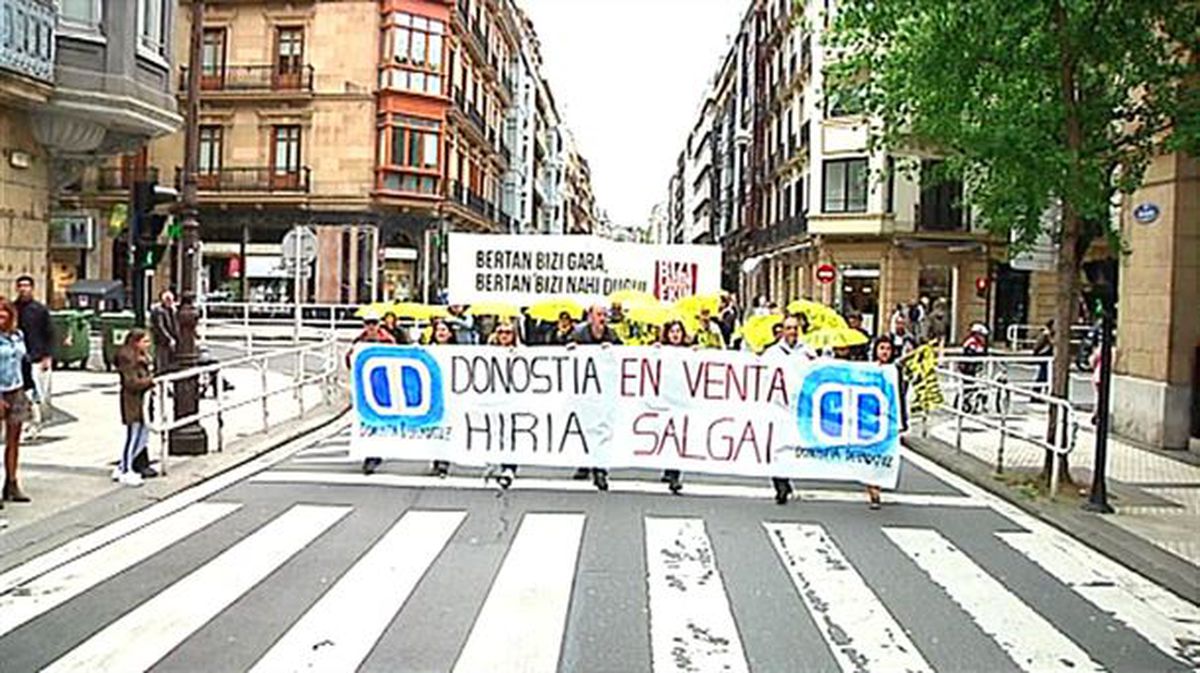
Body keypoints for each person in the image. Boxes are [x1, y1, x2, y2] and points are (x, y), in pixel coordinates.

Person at [764, 316, 816, 505]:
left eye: (795, 328)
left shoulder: (807, 352)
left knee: (792, 446)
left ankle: (786, 476)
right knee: (777, 446)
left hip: (798, 408)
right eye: (788, 328)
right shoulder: (771, 353)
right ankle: (780, 484)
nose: (792, 332)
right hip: (777, 407)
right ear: (782, 331)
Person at [569, 304, 620, 491]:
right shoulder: (579, 334)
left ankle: (600, 470)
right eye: (599, 314)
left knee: (602, 426)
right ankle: (585, 462)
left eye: (605, 315)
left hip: (605, 390)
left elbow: (624, 358)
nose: (602, 318)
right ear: (590, 317)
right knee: (586, 425)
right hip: (585, 389)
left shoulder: (612, 335)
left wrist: (613, 350)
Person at [350, 315, 396, 475]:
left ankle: (375, 453)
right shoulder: (359, 341)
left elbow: (396, 359)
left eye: (373, 323)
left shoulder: (388, 340)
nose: (370, 327)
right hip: (365, 386)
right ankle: (371, 454)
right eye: (367, 323)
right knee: (367, 419)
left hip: (384, 385)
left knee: (379, 419)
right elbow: (349, 360)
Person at [866, 338, 904, 510]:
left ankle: (877, 485)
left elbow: (900, 396)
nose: (885, 352)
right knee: (871, 452)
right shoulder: (868, 370)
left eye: (888, 349)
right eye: (881, 348)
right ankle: (873, 488)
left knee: (885, 452)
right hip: (870, 418)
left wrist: (903, 419)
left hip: (889, 418)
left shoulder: (895, 371)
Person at [113, 330, 154, 487]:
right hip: (133, 402)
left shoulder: (141, 358)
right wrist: (150, 381)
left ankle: (124, 466)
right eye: (145, 341)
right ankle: (125, 468)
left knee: (143, 436)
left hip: (142, 402)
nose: (148, 345)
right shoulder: (128, 359)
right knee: (133, 436)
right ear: (136, 342)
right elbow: (131, 383)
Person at [0, 297, 31, 503]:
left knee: (14, 440)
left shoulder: (17, 336)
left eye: (5, 311)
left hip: (17, 389)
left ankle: (11, 483)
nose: (1, 315)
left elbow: (23, 362)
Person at [14, 276, 51, 441]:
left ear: (32, 288)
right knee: (22, 392)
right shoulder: (13, 309)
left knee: (37, 392)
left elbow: (49, 333)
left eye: (27, 286)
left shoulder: (40, 310)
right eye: (21, 286)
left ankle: (36, 421)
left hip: (36, 356)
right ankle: (26, 422)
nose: (23, 289)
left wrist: (47, 356)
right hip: (18, 357)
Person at [658, 320, 691, 494]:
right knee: (667, 435)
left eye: (679, 331)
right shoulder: (660, 350)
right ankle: (668, 468)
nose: (676, 334)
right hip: (665, 399)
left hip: (682, 400)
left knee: (679, 436)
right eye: (672, 331)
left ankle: (675, 475)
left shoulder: (689, 351)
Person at [488, 318, 521, 489]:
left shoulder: (522, 352)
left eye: (507, 332)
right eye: (500, 332)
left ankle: (509, 467)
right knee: (495, 429)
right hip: (494, 397)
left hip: (513, 398)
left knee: (510, 431)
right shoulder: (489, 352)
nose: (503, 336)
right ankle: (495, 460)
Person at [427, 318, 458, 477]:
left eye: (444, 330)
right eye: (438, 329)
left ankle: (444, 461)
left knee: (447, 427)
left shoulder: (458, 353)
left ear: (450, 334)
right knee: (434, 427)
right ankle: (436, 458)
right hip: (432, 395)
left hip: (450, 395)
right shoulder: (427, 351)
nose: (440, 332)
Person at [150, 290, 179, 374]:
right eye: (169, 300)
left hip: (170, 339)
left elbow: (175, 324)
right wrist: (169, 338)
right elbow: (160, 326)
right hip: (162, 340)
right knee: (162, 359)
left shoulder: (171, 310)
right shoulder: (159, 310)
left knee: (169, 360)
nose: (171, 302)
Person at [1032, 319, 1054, 388]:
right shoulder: (1045, 334)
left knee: (1045, 373)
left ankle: (1039, 388)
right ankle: (1037, 389)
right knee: (1043, 373)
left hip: (1045, 354)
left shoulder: (1047, 333)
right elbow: (1039, 345)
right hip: (1044, 354)